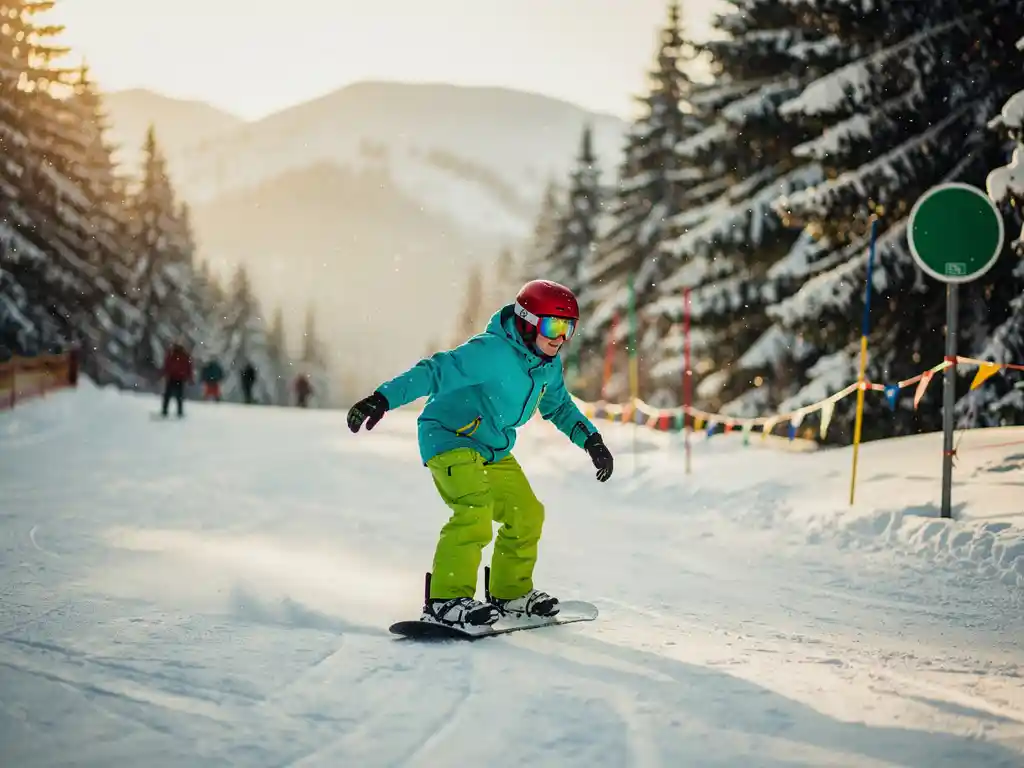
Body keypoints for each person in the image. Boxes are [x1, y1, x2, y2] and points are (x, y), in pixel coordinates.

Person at [347, 279, 614, 629]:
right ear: (527, 320)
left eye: (569, 329)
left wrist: (591, 441)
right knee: (475, 509)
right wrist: (383, 398)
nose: (560, 338)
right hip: (449, 436)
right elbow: (435, 371)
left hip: (492, 446)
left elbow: (559, 407)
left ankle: (510, 594)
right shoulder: (491, 352)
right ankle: (446, 600)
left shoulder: (547, 366)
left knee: (527, 514)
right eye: (553, 326)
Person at [161, 340, 193, 418]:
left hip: (172, 377)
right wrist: (190, 378)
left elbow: (166, 365)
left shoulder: (171, 355)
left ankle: (165, 410)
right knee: (179, 396)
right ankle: (179, 411)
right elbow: (189, 368)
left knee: (168, 395)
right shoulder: (185, 356)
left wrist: (164, 374)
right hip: (180, 378)